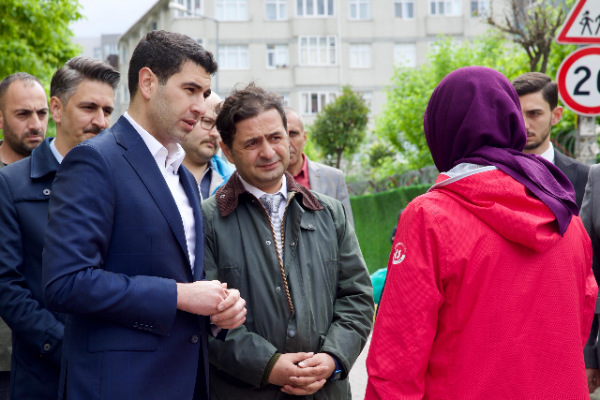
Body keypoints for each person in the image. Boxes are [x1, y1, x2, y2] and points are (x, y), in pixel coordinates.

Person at [366, 67, 597, 399]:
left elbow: (398, 357)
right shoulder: (564, 215)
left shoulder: (429, 216)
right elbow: (581, 315)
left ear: (441, 129)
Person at [42, 31, 246, 400]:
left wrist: (217, 313)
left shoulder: (182, 175)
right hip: (120, 386)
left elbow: (185, 282)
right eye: (190, 90)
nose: (203, 108)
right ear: (148, 82)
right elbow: (66, 283)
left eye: (204, 94)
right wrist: (180, 296)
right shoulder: (94, 160)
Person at [202, 83, 373, 399]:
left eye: (276, 137)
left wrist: (333, 357)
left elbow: (357, 298)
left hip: (326, 391)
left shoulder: (328, 212)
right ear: (226, 150)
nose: (268, 152)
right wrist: (269, 366)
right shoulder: (207, 221)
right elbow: (206, 323)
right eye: (252, 143)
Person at [0, 58, 119, 400]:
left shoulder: (121, 182)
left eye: (107, 109)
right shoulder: (10, 184)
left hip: (113, 371)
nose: (101, 121)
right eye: (89, 107)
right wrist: (64, 345)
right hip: (45, 377)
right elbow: (7, 286)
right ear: (57, 107)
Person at [0, 71, 49, 399]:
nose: (35, 124)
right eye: (23, 114)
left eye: (41, 113)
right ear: (0, 119)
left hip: (43, 358)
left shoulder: (66, 178)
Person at [512, 72, 590, 208]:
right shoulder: (492, 171)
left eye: (534, 114)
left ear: (556, 115)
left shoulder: (586, 177)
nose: (524, 124)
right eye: (517, 113)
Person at [285, 106, 354, 225]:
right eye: (280, 136)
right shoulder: (265, 181)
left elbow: (347, 233)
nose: (287, 143)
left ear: (304, 137)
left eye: (293, 133)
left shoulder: (334, 178)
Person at [181, 92, 234, 200]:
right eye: (207, 121)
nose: (215, 133)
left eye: (221, 128)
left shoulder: (235, 184)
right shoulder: (158, 172)